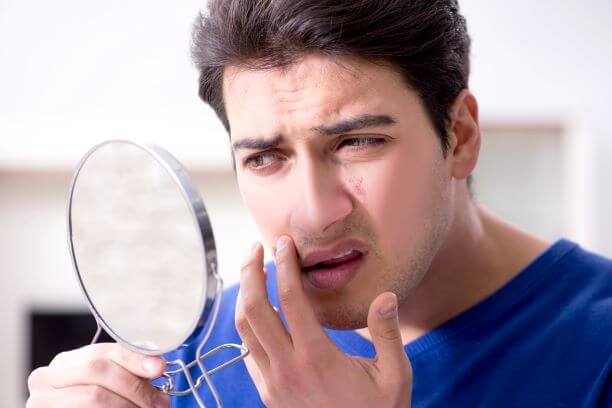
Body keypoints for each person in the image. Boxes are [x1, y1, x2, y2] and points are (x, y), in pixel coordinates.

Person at [26, 0, 612, 407]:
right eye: (265, 158)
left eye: (358, 142)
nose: (313, 212)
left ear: (459, 135)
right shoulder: (192, 359)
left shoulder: (597, 354)